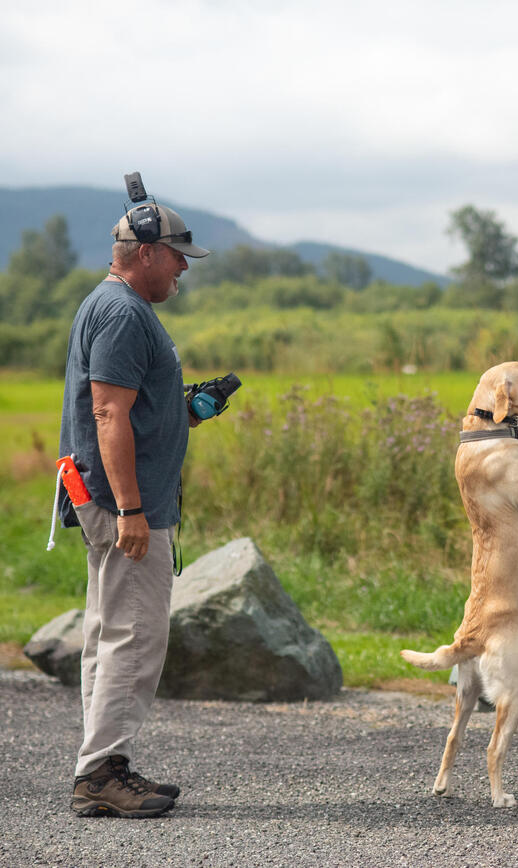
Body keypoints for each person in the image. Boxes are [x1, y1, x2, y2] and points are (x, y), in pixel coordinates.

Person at [58, 198, 211, 818]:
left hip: (110, 493)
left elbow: (132, 406)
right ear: (144, 252)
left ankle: (104, 764)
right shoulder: (123, 314)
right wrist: (130, 509)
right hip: (126, 502)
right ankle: (100, 774)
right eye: (177, 257)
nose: (182, 269)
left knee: (107, 631)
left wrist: (185, 407)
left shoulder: (113, 305)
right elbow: (107, 412)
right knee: (134, 634)